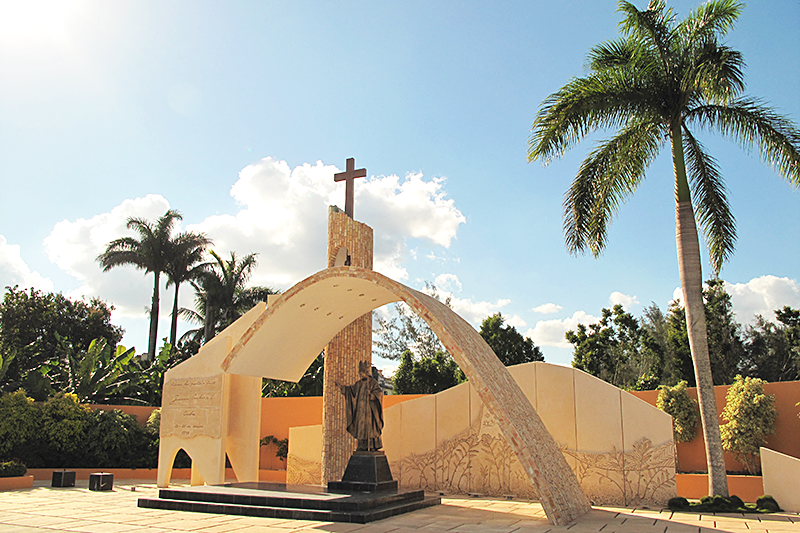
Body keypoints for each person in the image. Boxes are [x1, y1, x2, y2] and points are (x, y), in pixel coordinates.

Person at [339, 360, 384, 451]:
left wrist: (372, 395)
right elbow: (351, 391)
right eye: (360, 373)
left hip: (370, 411)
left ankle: (372, 446)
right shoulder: (358, 384)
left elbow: (379, 393)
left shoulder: (372, 383)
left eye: (362, 373)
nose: (360, 375)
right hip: (360, 411)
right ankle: (362, 446)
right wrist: (343, 388)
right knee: (361, 428)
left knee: (371, 429)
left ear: (366, 372)